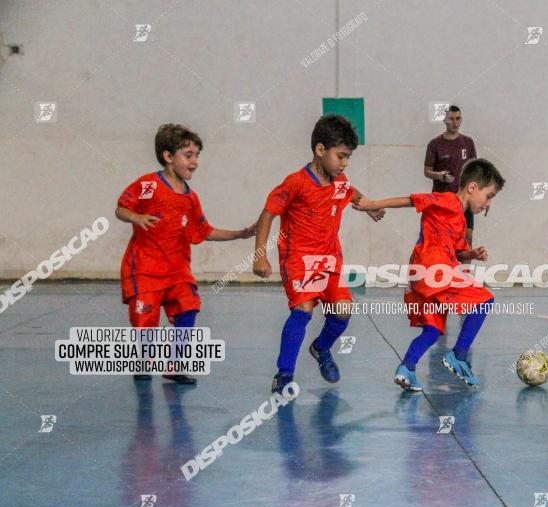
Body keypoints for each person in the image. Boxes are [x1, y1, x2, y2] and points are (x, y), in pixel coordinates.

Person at [252, 115, 384, 395]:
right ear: (320, 150)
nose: (345, 163)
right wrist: (259, 255)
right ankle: (284, 375)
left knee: (344, 311)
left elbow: (350, 190)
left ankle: (321, 348)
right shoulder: (296, 182)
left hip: (330, 260)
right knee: (303, 310)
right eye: (341, 156)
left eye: (348, 158)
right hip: (298, 260)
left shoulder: (339, 179)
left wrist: (368, 204)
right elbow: (267, 214)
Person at [116, 123, 255, 384]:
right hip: (145, 268)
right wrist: (137, 216)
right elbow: (121, 208)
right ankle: (144, 360)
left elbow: (204, 230)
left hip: (177, 269)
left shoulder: (190, 199)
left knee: (189, 307)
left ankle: (174, 364)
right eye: (188, 155)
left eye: (197, 155)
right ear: (168, 157)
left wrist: (240, 233)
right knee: (145, 321)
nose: (195, 162)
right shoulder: (149, 185)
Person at [354, 158, 505, 391]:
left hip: (422, 273)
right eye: (489, 196)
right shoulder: (447, 200)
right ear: (472, 187)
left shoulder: (459, 219)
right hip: (434, 268)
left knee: (433, 329)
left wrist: (471, 253)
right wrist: (372, 203)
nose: (488, 204)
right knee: (484, 300)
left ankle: (407, 369)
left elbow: (457, 253)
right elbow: (411, 200)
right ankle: (459, 356)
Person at [424, 105, 478, 245]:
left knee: (468, 237)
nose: (455, 122)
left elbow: (475, 171)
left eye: (458, 118)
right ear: (444, 120)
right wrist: (439, 176)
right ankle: (445, 266)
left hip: (464, 200)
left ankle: (466, 268)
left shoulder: (468, 142)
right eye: (451, 119)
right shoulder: (435, 144)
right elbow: (427, 171)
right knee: (444, 241)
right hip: (443, 200)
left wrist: (481, 196)